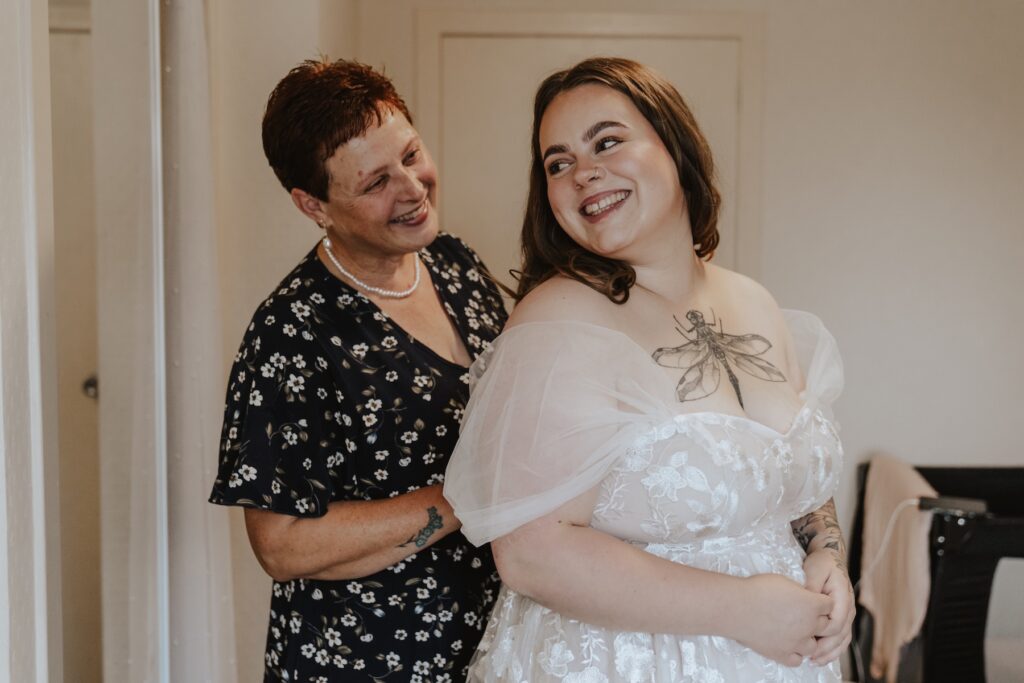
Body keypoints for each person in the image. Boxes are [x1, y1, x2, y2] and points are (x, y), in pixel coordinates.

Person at [444, 57, 854, 682]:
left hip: (784, 657)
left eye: (606, 141)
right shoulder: (558, 320)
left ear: (675, 146)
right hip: (633, 661)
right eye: (558, 163)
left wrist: (827, 553)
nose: (584, 173)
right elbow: (532, 553)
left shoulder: (754, 301)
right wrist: (742, 610)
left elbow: (789, 473)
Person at [209, 58, 507, 682]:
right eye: (375, 182)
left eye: (411, 153)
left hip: (484, 639)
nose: (412, 187)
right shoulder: (292, 332)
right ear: (312, 203)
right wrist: (466, 494)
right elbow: (282, 544)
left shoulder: (454, 263)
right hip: (361, 659)